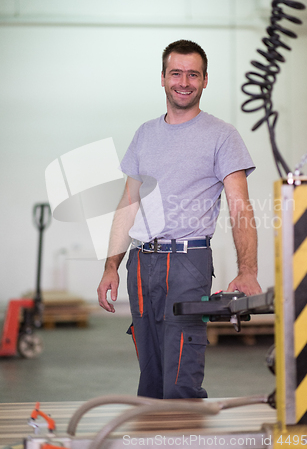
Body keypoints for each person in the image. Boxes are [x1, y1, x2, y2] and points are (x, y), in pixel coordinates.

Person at [97, 39, 262, 400]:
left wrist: (247, 270)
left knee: (180, 379)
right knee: (151, 379)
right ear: (162, 78)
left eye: (193, 74)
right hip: (141, 264)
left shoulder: (222, 136)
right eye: (176, 73)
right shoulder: (144, 134)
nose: (184, 81)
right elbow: (128, 202)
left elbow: (240, 206)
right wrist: (112, 266)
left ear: (205, 80)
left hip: (188, 262)